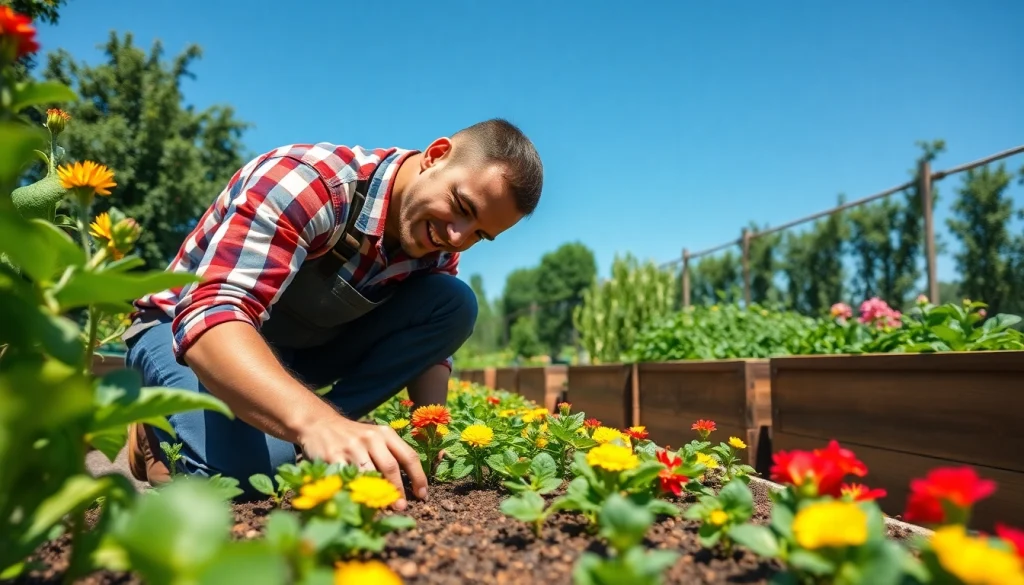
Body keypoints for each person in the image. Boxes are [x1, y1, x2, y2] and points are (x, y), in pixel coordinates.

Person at [123, 118, 543, 509]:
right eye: (462, 207)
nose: (456, 237)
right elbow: (213, 312)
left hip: (291, 350)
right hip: (183, 331)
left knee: (453, 302)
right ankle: (156, 423)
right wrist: (315, 421)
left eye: (478, 234)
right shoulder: (307, 181)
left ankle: (311, 437)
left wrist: (432, 439)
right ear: (435, 156)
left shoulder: (434, 243)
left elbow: (433, 345)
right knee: (245, 479)